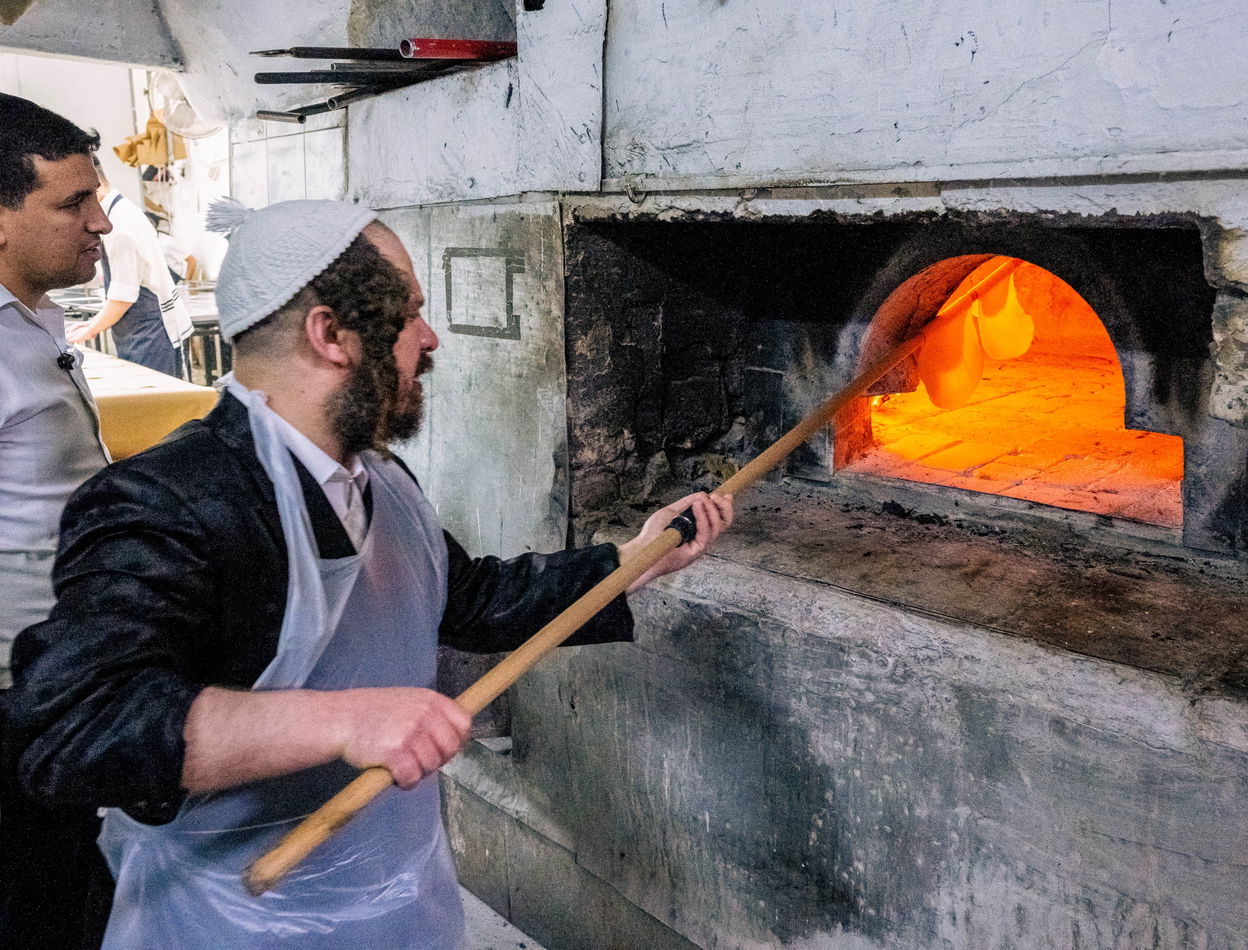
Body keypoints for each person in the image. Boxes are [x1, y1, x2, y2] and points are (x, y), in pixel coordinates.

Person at [9, 197, 734, 948]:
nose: (430, 339)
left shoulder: (380, 479)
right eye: (410, 314)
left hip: (392, 900)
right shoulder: (168, 499)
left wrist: (631, 561)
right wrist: (346, 720)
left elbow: (470, 598)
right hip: (234, 924)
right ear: (332, 335)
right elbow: (73, 729)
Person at [0, 93, 115, 950]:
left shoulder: (34, 318)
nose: (101, 222)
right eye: (73, 203)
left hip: (57, 678)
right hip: (12, 691)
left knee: (74, 889)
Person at [65, 158, 193, 378]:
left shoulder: (120, 226)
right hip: (140, 331)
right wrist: (92, 323)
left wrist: (90, 330)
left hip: (152, 334)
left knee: (159, 405)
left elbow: (123, 298)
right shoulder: (121, 211)